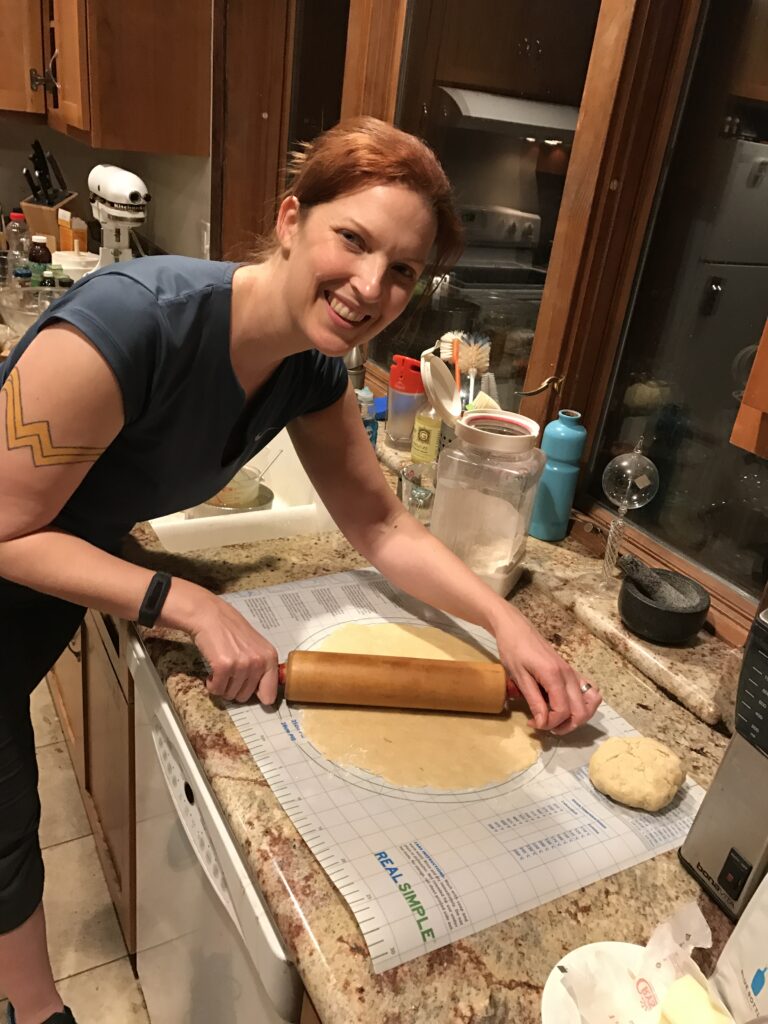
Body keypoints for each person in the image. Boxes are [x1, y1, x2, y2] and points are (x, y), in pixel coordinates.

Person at [0, 116, 602, 1023]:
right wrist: (185, 602)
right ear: (291, 220)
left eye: (401, 270)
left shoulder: (310, 368)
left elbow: (378, 519)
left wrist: (505, 625)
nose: (370, 286)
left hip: (44, 581)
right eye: (351, 240)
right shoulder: (132, 324)